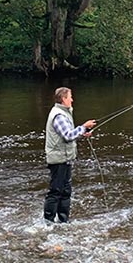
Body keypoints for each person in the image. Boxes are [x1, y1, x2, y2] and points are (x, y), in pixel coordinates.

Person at [43, 87, 96, 223]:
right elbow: (67, 135)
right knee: (56, 192)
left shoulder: (63, 113)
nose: (72, 99)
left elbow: (68, 134)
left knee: (65, 192)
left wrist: (82, 133)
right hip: (58, 159)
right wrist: (84, 127)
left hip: (65, 158)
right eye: (70, 97)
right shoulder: (59, 115)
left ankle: (63, 221)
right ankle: (48, 222)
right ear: (63, 99)